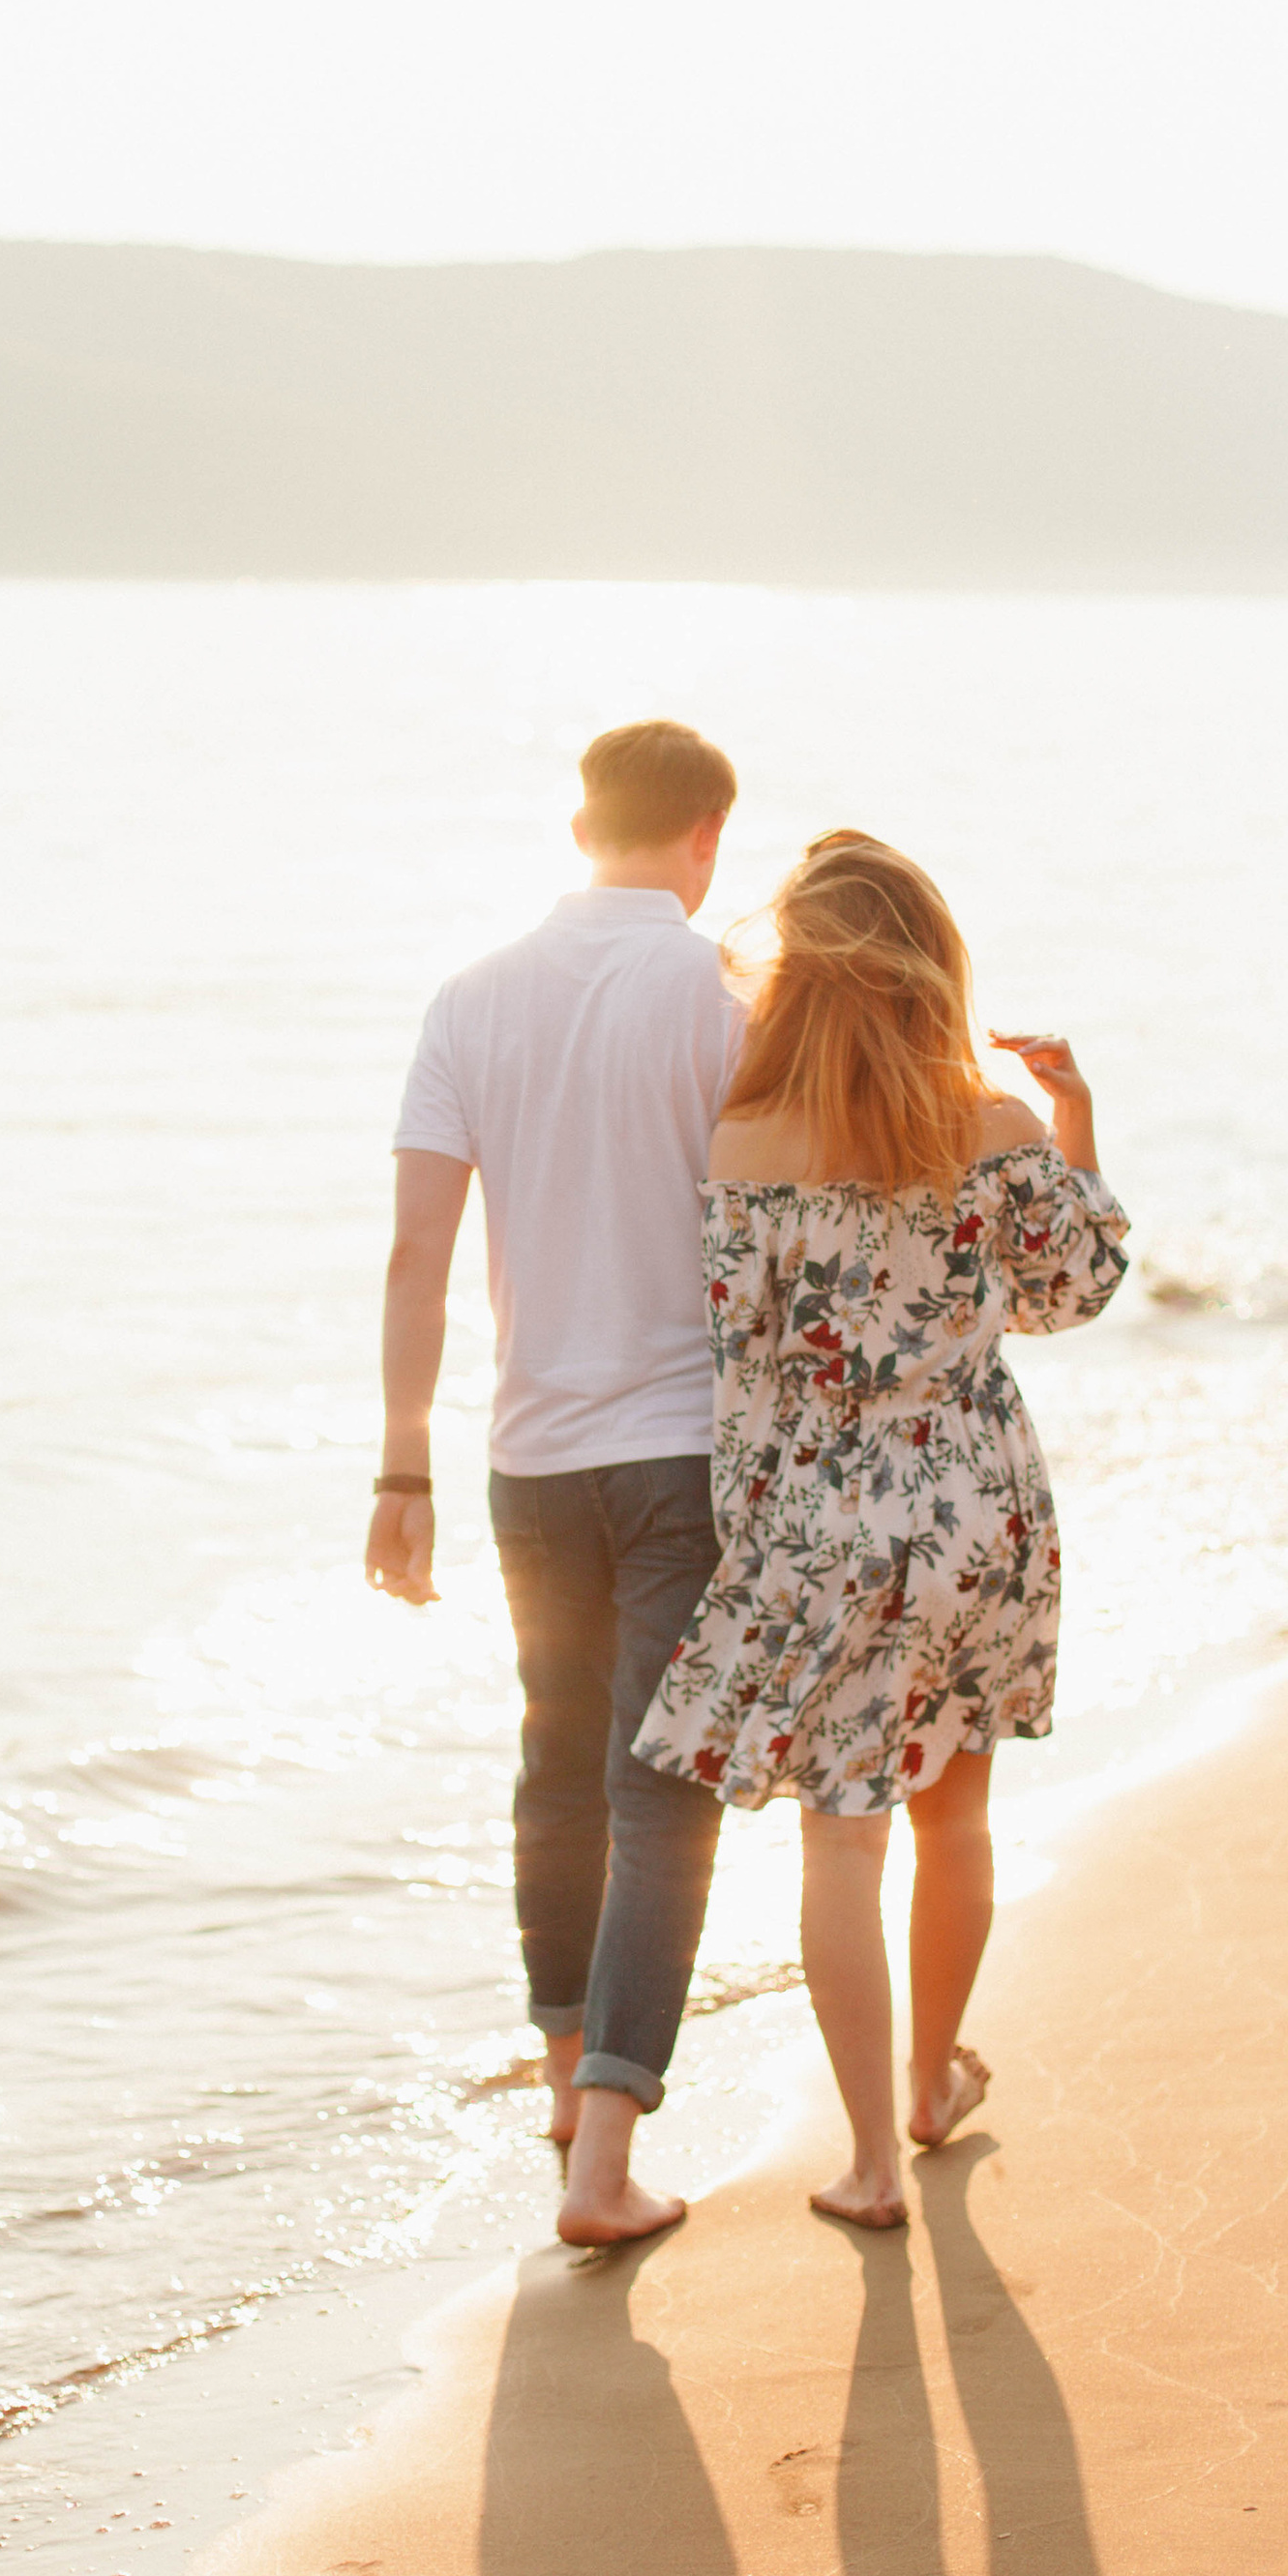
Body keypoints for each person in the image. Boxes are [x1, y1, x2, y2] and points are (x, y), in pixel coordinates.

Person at [633, 831, 1129, 2228]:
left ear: (794, 981)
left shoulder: (747, 1138)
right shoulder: (992, 1127)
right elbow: (1073, 1291)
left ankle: (866, 2164)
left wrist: (759, 1543)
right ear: (930, 966)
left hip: (826, 1516)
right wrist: (1074, 1112)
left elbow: (747, 1363)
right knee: (956, 1815)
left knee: (840, 1844)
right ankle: (929, 2089)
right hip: (978, 1500)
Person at [367, 719, 747, 2248]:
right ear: (707, 838)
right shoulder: (722, 996)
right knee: (664, 1797)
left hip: (526, 1457)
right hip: (678, 1449)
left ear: (579, 824)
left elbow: (417, 1255)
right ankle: (605, 2163)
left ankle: (556, 2077)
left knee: (555, 1768)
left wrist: (404, 1460)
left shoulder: (469, 1000)